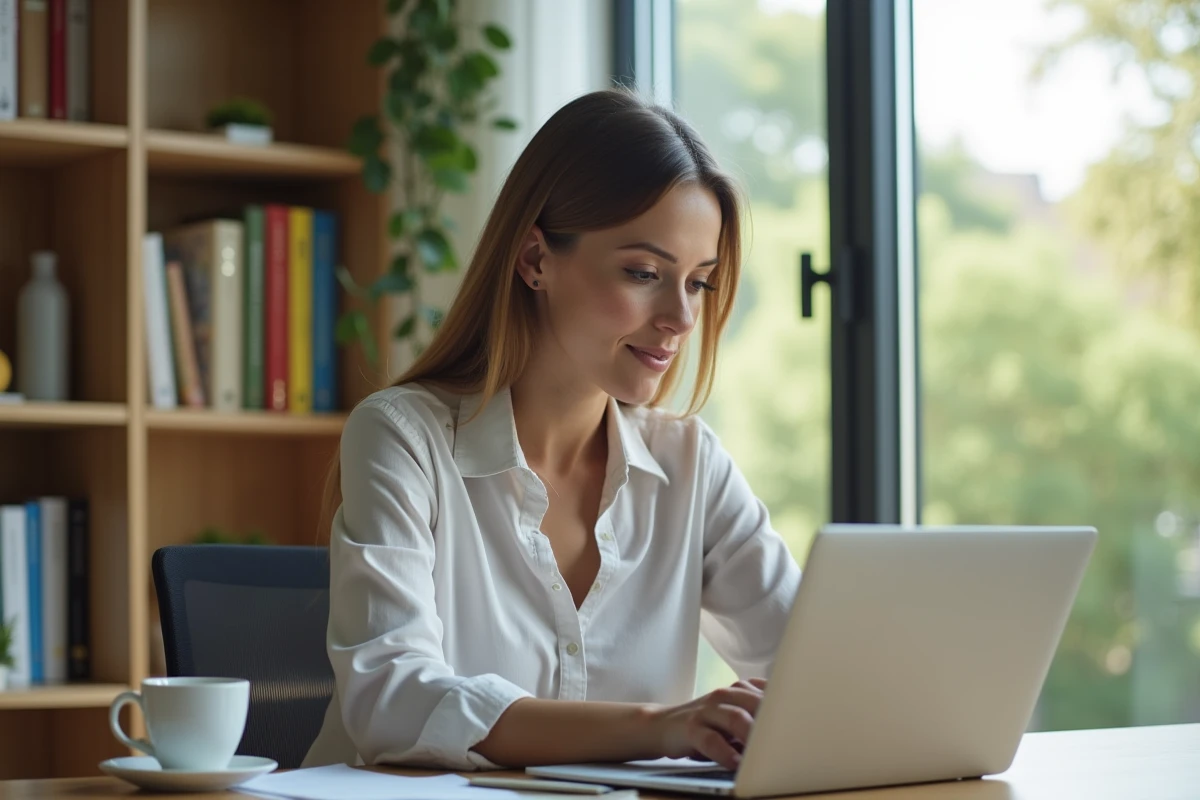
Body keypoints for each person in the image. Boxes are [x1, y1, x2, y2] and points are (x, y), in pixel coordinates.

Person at [302, 87, 801, 773]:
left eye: (698, 283)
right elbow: (393, 699)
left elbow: (815, 672)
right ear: (535, 259)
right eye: (644, 273)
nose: (681, 318)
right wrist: (660, 728)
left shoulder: (690, 464)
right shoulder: (401, 437)